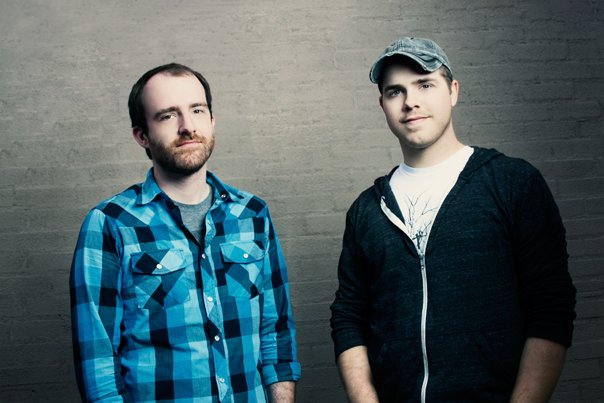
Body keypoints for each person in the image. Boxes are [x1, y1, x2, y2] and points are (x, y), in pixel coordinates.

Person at [330, 37, 576, 402]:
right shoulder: (367, 210)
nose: (410, 101)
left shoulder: (511, 183)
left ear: (453, 91)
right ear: (382, 104)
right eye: (395, 91)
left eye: (425, 85)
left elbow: (551, 307)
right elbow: (349, 317)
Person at [70, 63, 300, 402]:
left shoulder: (252, 215)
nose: (187, 126)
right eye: (167, 116)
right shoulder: (110, 224)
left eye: (197, 110)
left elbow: (276, 336)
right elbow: (98, 367)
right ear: (142, 135)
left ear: (212, 120)